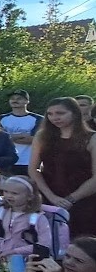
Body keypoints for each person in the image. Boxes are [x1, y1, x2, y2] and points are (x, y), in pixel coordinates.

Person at [31, 97, 96, 240]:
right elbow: (33, 169)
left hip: (84, 200)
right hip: (48, 197)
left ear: (75, 113)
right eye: (50, 114)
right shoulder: (42, 136)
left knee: (80, 242)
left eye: (60, 113)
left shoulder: (92, 138)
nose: (55, 117)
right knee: (47, 241)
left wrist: (71, 199)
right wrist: (51, 197)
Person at [0, 90, 42, 177]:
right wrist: (22, 135)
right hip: (6, 160)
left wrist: (8, 136)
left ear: (27, 101)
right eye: (12, 98)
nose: (15, 100)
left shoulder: (38, 119)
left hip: (29, 161)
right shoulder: (1, 118)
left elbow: (34, 140)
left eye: (19, 98)